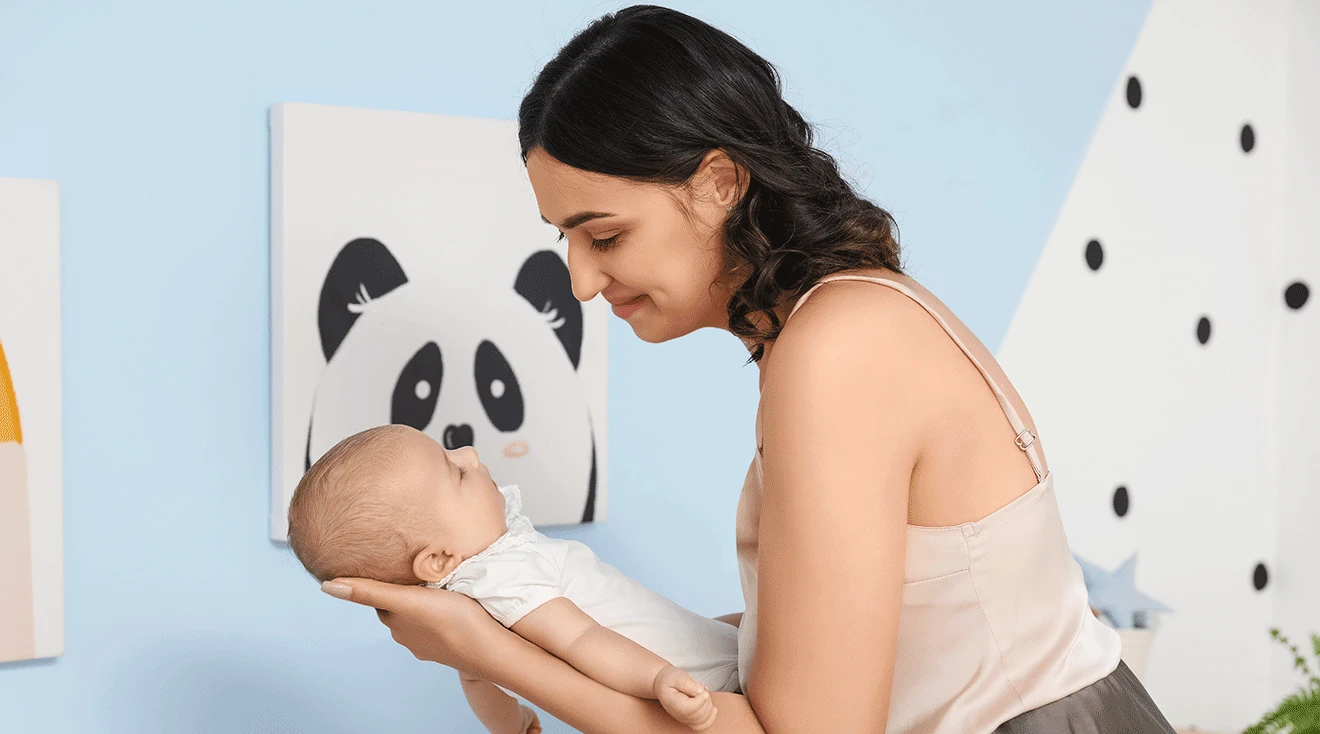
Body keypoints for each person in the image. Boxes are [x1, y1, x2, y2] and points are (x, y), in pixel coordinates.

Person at [318, 5, 1177, 732]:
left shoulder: (837, 348)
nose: (579, 281)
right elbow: (861, 640)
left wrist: (486, 649)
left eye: (604, 234)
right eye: (565, 241)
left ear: (721, 181)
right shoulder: (844, 321)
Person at [287, 424, 739, 733]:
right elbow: (582, 639)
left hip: (715, 661)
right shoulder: (504, 579)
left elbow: (477, 677)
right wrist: (659, 678)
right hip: (715, 685)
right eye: (456, 471)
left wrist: (512, 723)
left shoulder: (471, 603)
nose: (469, 454)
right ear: (440, 559)